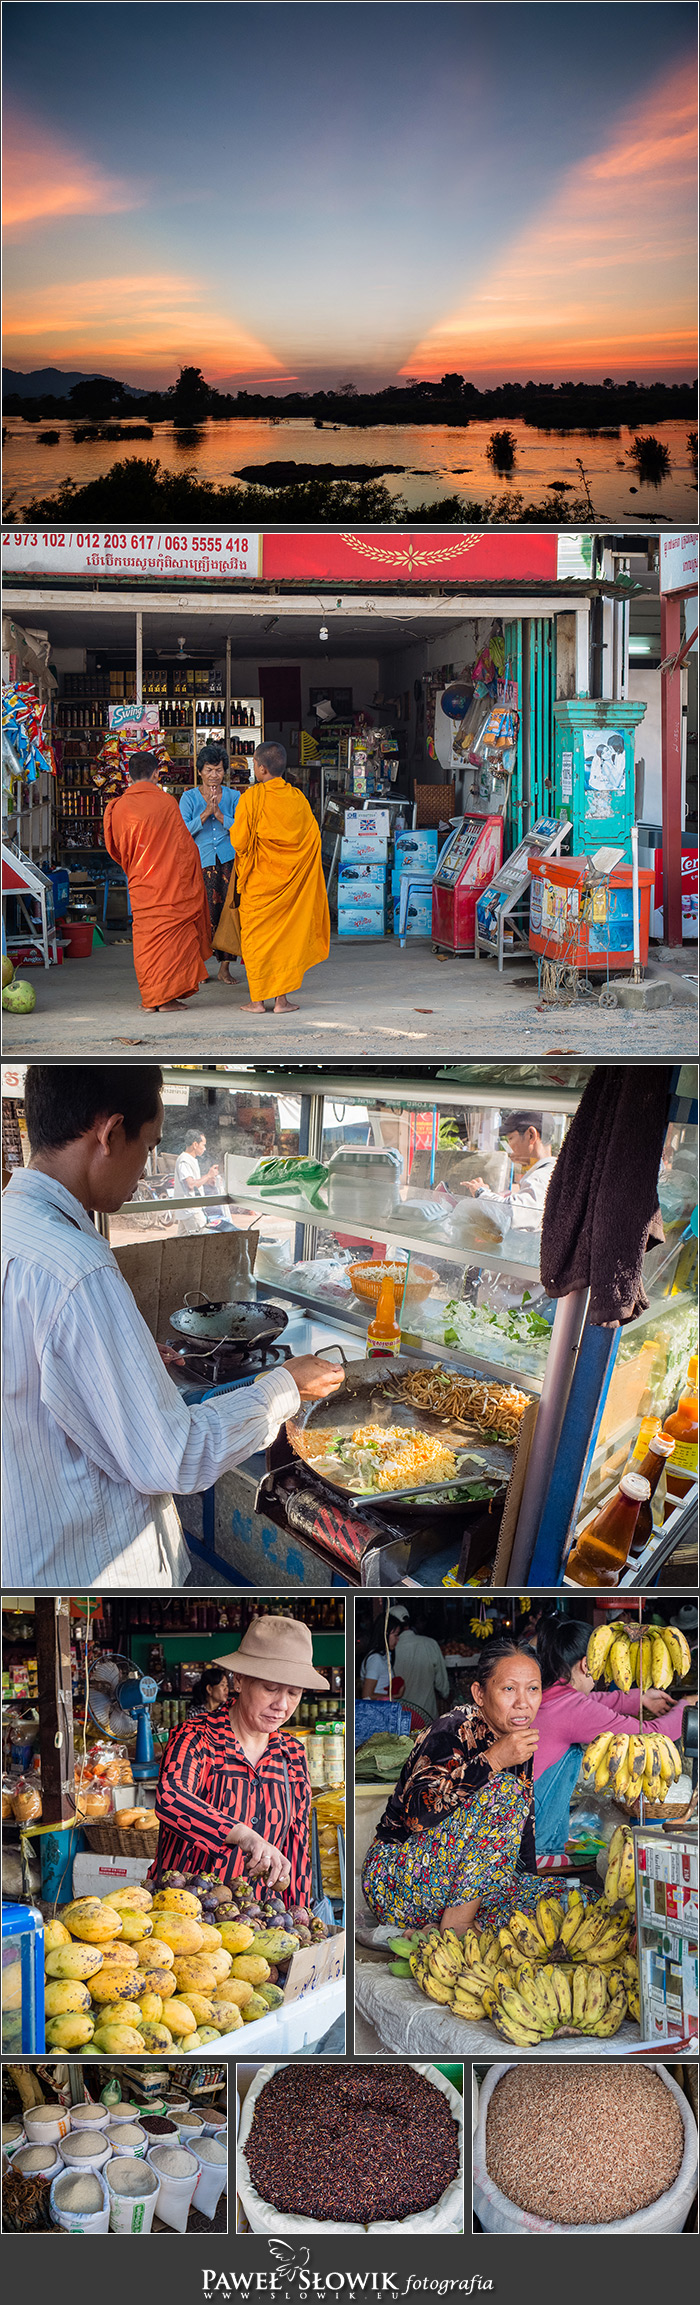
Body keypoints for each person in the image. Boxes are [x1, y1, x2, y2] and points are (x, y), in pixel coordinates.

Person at [1, 1067, 344, 1589]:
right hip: (93, 1565)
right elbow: (175, 1458)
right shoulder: (78, 1268)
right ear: (110, 1133)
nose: (144, 1169)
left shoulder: (12, 1225)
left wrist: (122, 1358)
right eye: (149, 1144)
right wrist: (285, 1386)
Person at [361, 1637, 548, 1939]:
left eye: (533, 1689)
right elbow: (417, 1815)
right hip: (398, 1881)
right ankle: (457, 1926)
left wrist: (524, 1887)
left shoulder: (517, 1738)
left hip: (457, 1886)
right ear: (480, 1694)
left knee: (561, 1901)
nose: (523, 1702)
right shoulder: (452, 1728)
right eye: (509, 1689)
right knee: (505, 1793)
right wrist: (492, 1760)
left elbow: (522, 1828)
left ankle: (430, 1929)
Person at [153, 1614, 327, 1900]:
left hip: (259, 1920)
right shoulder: (197, 1736)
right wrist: (241, 1834)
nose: (282, 1705)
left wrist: (300, 1918)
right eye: (270, 1688)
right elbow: (171, 1799)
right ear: (239, 1680)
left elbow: (296, 1845)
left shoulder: (292, 1754)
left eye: (294, 1693)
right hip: (185, 1916)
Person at [533, 1614, 696, 1855]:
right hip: (539, 1841)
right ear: (587, 1664)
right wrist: (686, 1706)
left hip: (524, 1824)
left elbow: (592, 1700)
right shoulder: (574, 1710)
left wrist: (638, 1698)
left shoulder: (546, 1693)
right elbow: (650, 1735)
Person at [103, 751, 212, 1011]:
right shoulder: (166, 803)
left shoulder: (116, 807)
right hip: (169, 887)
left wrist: (136, 866)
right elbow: (184, 848)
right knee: (172, 940)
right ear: (155, 774)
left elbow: (115, 849)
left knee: (146, 941)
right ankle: (166, 999)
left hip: (141, 884)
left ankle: (153, 998)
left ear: (128, 775)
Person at [231, 741, 330, 1014]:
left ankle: (256, 1001)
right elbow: (312, 839)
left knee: (257, 942)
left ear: (262, 768)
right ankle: (281, 1001)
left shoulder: (251, 798)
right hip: (290, 885)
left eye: (253, 763)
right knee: (286, 939)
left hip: (259, 885)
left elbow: (239, 842)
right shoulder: (298, 799)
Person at [179, 744, 240, 986]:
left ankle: (225, 967)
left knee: (228, 914)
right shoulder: (189, 797)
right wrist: (205, 814)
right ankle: (200, 967)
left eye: (218, 770)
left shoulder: (234, 797)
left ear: (225, 772)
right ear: (200, 772)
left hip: (227, 861)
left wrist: (221, 816)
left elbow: (241, 828)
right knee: (201, 914)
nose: (214, 775)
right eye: (209, 770)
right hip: (200, 862)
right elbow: (182, 831)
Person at [459, 1110, 557, 1237]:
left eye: (510, 1138)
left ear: (531, 1135)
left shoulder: (541, 1177)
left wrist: (481, 1193)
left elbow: (511, 1214)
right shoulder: (551, 1172)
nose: (509, 1150)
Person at [393, 1615, 451, 1720]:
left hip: (399, 1717)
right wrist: (446, 1695)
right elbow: (442, 1684)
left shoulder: (390, 1649)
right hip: (427, 1715)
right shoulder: (430, 1644)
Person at [174, 1129, 223, 1235]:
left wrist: (207, 1181)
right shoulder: (184, 1160)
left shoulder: (189, 1159)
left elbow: (193, 1183)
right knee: (201, 1239)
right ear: (195, 1144)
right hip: (191, 1211)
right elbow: (190, 1185)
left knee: (181, 1243)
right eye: (203, 1145)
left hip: (186, 1210)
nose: (204, 1148)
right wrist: (208, 1175)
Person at [361, 1612, 407, 1700]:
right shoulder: (376, 1659)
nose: (398, 1639)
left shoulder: (384, 1657)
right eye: (396, 1635)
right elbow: (367, 1696)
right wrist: (396, 1695)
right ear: (385, 1634)